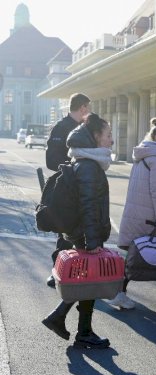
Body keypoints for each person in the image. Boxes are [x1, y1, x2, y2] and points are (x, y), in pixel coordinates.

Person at [41, 113, 113, 349]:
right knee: (89, 280)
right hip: (85, 233)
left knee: (86, 281)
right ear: (94, 136)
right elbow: (89, 206)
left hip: (81, 231)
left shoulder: (83, 161)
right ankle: (78, 329)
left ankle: (69, 323)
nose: (111, 141)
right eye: (108, 135)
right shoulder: (89, 166)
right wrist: (93, 242)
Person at [108, 120, 156, 310]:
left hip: (139, 212)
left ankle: (120, 293)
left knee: (138, 253)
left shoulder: (143, 155)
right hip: (152, 215)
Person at [44, 93, 91, 288]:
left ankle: (78, 271)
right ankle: (57, 270)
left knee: (82, 232)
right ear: (82, 108)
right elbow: (51, 160)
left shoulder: (86, 128)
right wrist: (71, 166)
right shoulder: (61, 127)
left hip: (83, 187)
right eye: (87, 108)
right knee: (65, 230)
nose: (88, 112)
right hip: (65, 188)